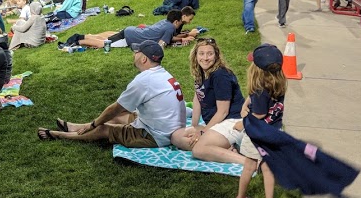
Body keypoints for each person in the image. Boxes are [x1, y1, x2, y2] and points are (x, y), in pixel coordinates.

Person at [37, 40, 186, 147]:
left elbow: (114, 108)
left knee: (104, 128)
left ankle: (61, 135)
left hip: (157, 136)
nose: (134, 54)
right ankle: (75, 127)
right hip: (168, 128)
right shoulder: (164, 74)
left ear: (144, 58)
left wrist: (94, 123)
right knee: (124, 115)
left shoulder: (144, 80)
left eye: (136, 52)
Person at [170, 38, 245, 164]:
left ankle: (248, 162)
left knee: (198, 150)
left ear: (216, 55)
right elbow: (198, 96)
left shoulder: (221, 76)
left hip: (232, 121)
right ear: (196, 55)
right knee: (176, 136)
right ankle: (225, 148)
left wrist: (202, 132)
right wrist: (195, 125)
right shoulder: (201, 72)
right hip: (216, 124)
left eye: (210, 54)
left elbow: (223, 112)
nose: (205, 58)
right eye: (201, 53)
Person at [233, 45, 287, 198]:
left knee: (249, 166)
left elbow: (260, 113)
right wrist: (246, 102)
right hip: (273, 132)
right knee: (268, 168)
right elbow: (256, 100)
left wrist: (244, 123)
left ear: (256, 69)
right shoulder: (278, 83)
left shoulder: (259, 89)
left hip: (256, 133)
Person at [64, 9, 190, 50]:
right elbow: (161, 46)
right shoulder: (170, 28)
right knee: (104, 43)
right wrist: (180, 42)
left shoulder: (165, 22)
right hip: (130, 37)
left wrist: (183, 37)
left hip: (132, 32)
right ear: (176, 21)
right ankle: (79, 40)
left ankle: (83, 37)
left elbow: (168, 39)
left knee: (107, 38)